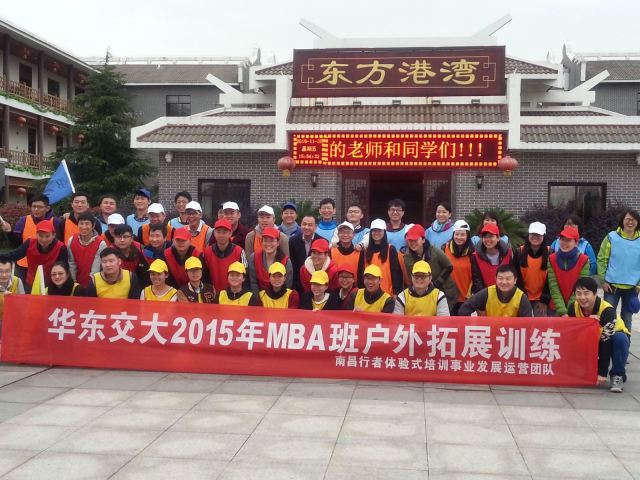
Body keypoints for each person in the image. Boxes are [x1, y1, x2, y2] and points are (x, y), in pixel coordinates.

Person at [568, 277, 631, 393]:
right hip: (591, 339)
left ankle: (617, 375)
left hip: (612, 337)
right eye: (578, 293)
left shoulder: (607, 310)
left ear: (595, 293)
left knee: (620, 339)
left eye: (586, 293)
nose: (582, 297)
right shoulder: (573, 308)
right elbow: (573, 336)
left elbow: (606, 342)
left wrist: (602, 373)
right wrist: (588, 321)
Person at [598, 209, 640, 331]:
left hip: (632, 288)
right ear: (622, 220)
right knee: (608, 318)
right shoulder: (611, 237)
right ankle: (607, 342)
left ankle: (625, 343)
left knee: (627, 319)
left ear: (637, 222)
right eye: (627, 219)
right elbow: (602, 258)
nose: (630, 222)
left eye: (633, 219)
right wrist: (603, 280)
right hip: (611, 287)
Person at [1, 193, 59, 278]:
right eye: (33, 206)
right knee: (20, 286)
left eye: (39, 207)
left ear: (47, 208)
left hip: (47, 266)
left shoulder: (56, 222)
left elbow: (59, 245)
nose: (36, 209)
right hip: (24, 266)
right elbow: (15, 244)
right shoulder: (23, 221)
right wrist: (9, 232)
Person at [403, 223, 458, 311]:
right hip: (424, 294)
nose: (412, 243)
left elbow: (449, 266)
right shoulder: (407, 257)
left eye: (415, 240)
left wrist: (437, 282)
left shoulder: (434, 251)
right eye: (410, 240)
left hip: (445, 291)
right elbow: (412, 277)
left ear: (423, 240)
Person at [0, 219, 67, 291]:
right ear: (36, 234)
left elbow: (64, 267)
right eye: (40, 236)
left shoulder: (61, 247)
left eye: (47, 236)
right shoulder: (29, 243)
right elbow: (14, 255)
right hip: (31, 283)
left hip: (52, 284)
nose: (44, 239)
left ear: (54, 235)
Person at [459, 264, 533, 317]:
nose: (504, 282)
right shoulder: (487, 293)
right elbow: (464, 309)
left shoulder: (521, 297)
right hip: (491, 330)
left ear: (515, 280)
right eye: (500, 278)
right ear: (496, 279)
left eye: (508, 279)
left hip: (511, 332)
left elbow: (527, 323)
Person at [548, 226, 590, 316]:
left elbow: (580, 287)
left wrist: (570, 310)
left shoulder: (584, 260)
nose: (564, 243)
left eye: (568, 240)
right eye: (562, 239)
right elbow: (553, 286)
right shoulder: (551, 259)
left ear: (576, 243)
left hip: (576, 307)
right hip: (555, 308)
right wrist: (562, 311)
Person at [358, 219, 403, 296]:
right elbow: (360, 274)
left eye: (379, 230)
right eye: (374, 230)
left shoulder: (391, 249)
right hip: (368, 295)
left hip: (387, 294)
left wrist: (396, 293)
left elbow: (396, 273)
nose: (376, 233)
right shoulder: (365, 251)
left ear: (384, 232)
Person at [514, 222, 550, 317]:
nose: (535, 237)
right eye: (532, 234)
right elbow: (516, 277)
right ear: (528, 235)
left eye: (538, 235)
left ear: (544, 236)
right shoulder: (519, 252)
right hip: (522, 298)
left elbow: (551, 279)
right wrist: (522, 297)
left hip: (541, 300)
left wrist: (544, 300)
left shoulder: (550, 253)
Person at [203, 219, 246, 292]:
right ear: (214, 233)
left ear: (230, 233)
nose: (221, 235)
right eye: (218, 232)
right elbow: (204, 276)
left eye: (225, 232)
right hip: (213, 294)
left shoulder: (240, 251)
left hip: (234, 294)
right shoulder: (207, 252)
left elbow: (245, 275)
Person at [470, 223, 513, 294]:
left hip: (505, 294)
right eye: (485, 237)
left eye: (491, 236)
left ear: (498, 238)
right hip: (485, 296)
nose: (487, 239)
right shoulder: (475, 257)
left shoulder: (508, 254)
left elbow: (511, 275)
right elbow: (477, 280)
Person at [67, 212, 107, 288]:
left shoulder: (101, 244)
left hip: (93, 284)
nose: (84, 227)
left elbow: (96, 269)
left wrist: (90, 286)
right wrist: (73, 284)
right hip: (76, 283)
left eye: (87, 224)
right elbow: (71, 263)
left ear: (93, 225)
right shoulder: (71, 240)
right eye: (81, 223)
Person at [248, 227, 293, 295]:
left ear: (278, 243)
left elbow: (287, 284)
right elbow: (253, 282)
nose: (268, 244)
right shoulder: (254, 257)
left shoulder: (286, 261)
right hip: (259, 297)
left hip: (280, 297)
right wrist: (258, 299)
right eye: (265, 241)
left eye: (272, 241)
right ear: (262, 242)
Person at [443, 220, 475, 315]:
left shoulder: (473, 253)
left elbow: (476, 276)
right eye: (456, 234)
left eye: (462, 235)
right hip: (448, 297)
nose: (459, 237)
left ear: (467, 236)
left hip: (466, 298)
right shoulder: (445, 249)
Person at [289, 215, 320, 292]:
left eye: (310, 225)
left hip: (317, 283)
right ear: (300, 225)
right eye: (304, 224)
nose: (306, 227)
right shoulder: (293, 241)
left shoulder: (321, 241)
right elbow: (293, 264)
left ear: (315, 227)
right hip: (298, 284)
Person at [0, 260, 25, 336]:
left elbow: (23, 304)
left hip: (12, 320)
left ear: (11, 271)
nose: (4, 275)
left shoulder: (17, 281)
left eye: (7, 271)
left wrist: (13, 299)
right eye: (0, 271)